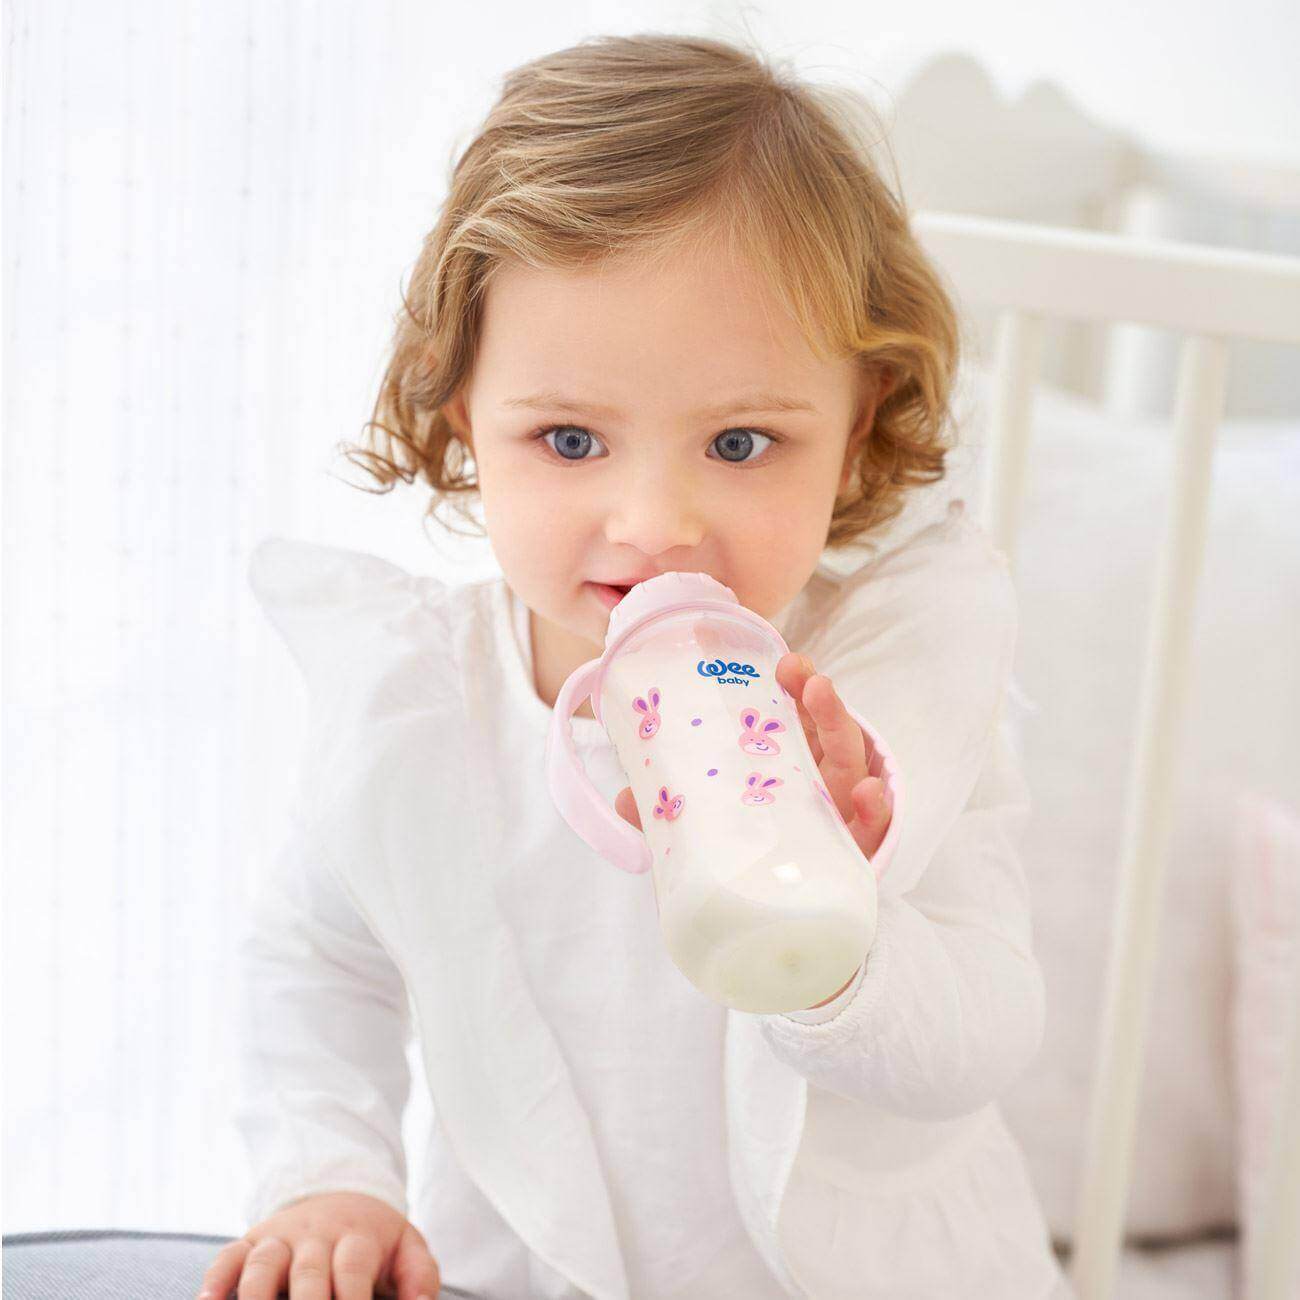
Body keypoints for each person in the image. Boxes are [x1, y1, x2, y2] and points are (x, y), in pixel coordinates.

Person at [199, 31, 1073, 1300]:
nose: (656, 521)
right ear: (462, 420)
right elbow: (316, 957)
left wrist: (841, 946)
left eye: (738, 440)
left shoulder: (883, 698)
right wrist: (332, 1172)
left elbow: (985, 1031)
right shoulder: (420, 706)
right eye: (567, 437)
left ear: (854, 426)